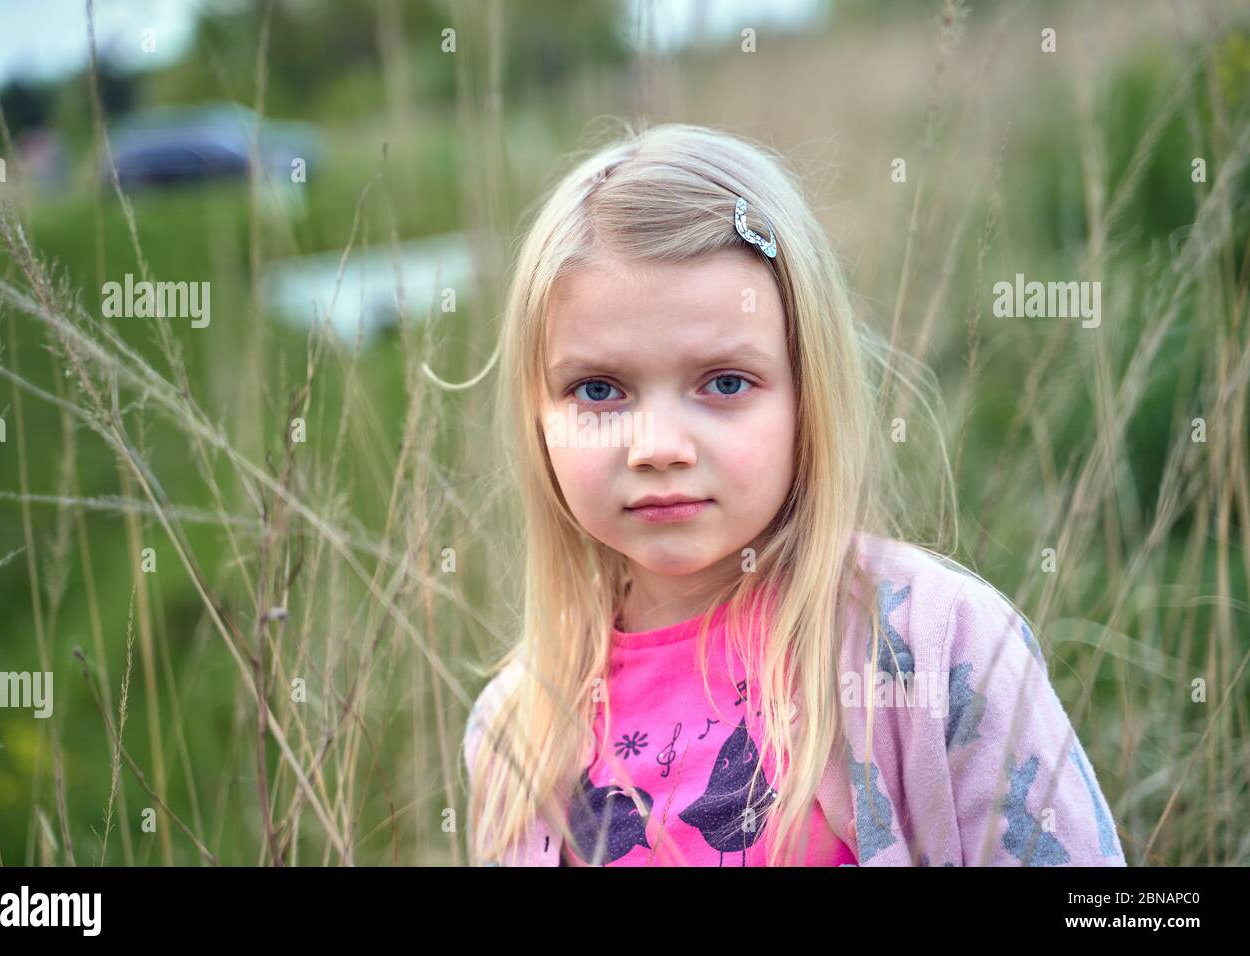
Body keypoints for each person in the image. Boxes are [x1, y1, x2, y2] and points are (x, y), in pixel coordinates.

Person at [461, 121, 1126, 867]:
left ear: (807, 394)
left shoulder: (934, 648)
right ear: (539, 416)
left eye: (724, 383)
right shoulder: (518, 727)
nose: (656, 448)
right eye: (598, 389)